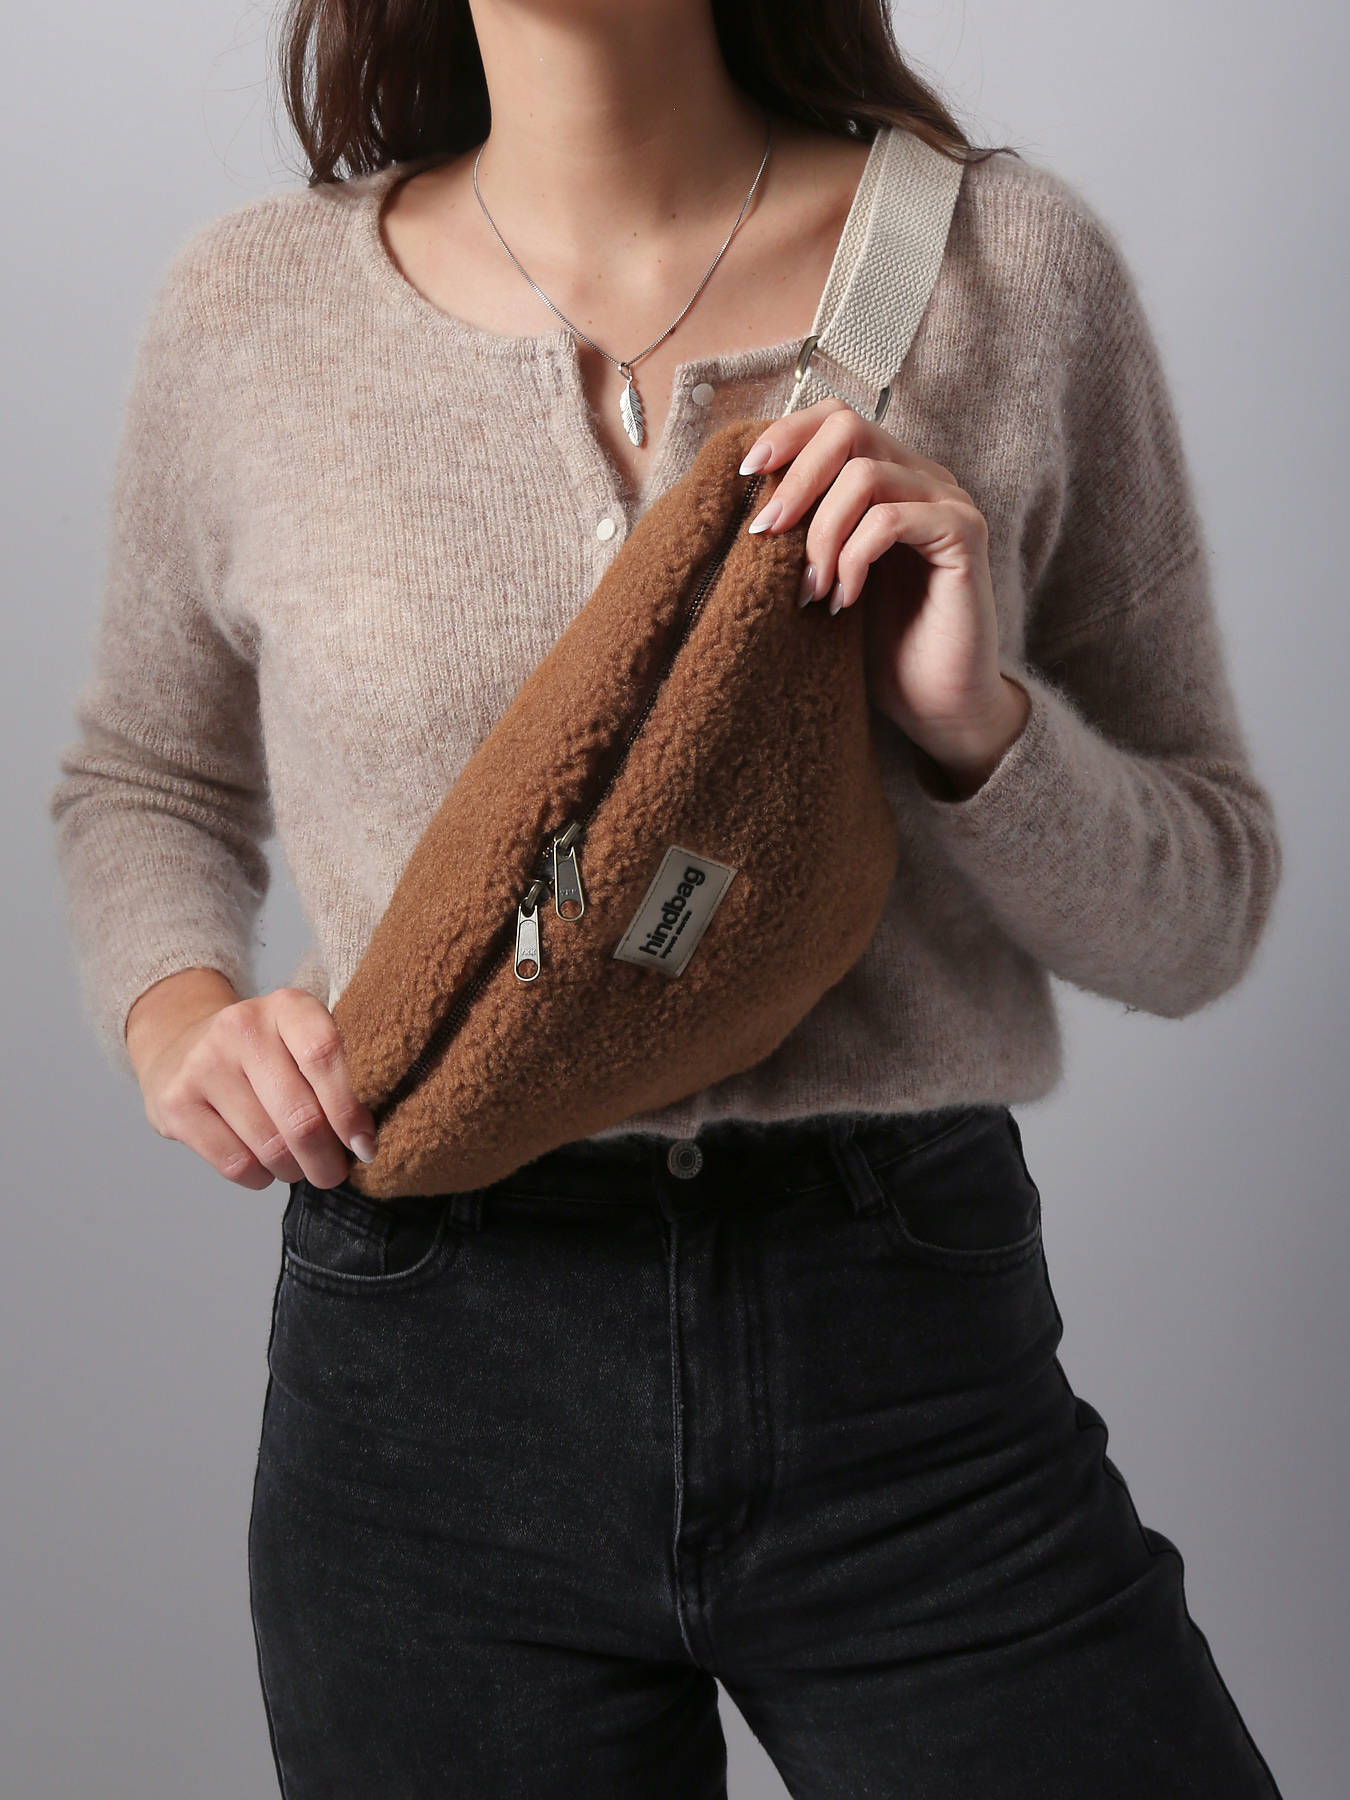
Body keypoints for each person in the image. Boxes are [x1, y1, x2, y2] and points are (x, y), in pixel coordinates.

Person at [47, 2, 1287, 1795]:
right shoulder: (252, 307)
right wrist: (181, 1016)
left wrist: (978, 731)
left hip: (901, 1358)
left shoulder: (1006, 270)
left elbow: (1202, 905)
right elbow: (146, 782)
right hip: (425, 1379)